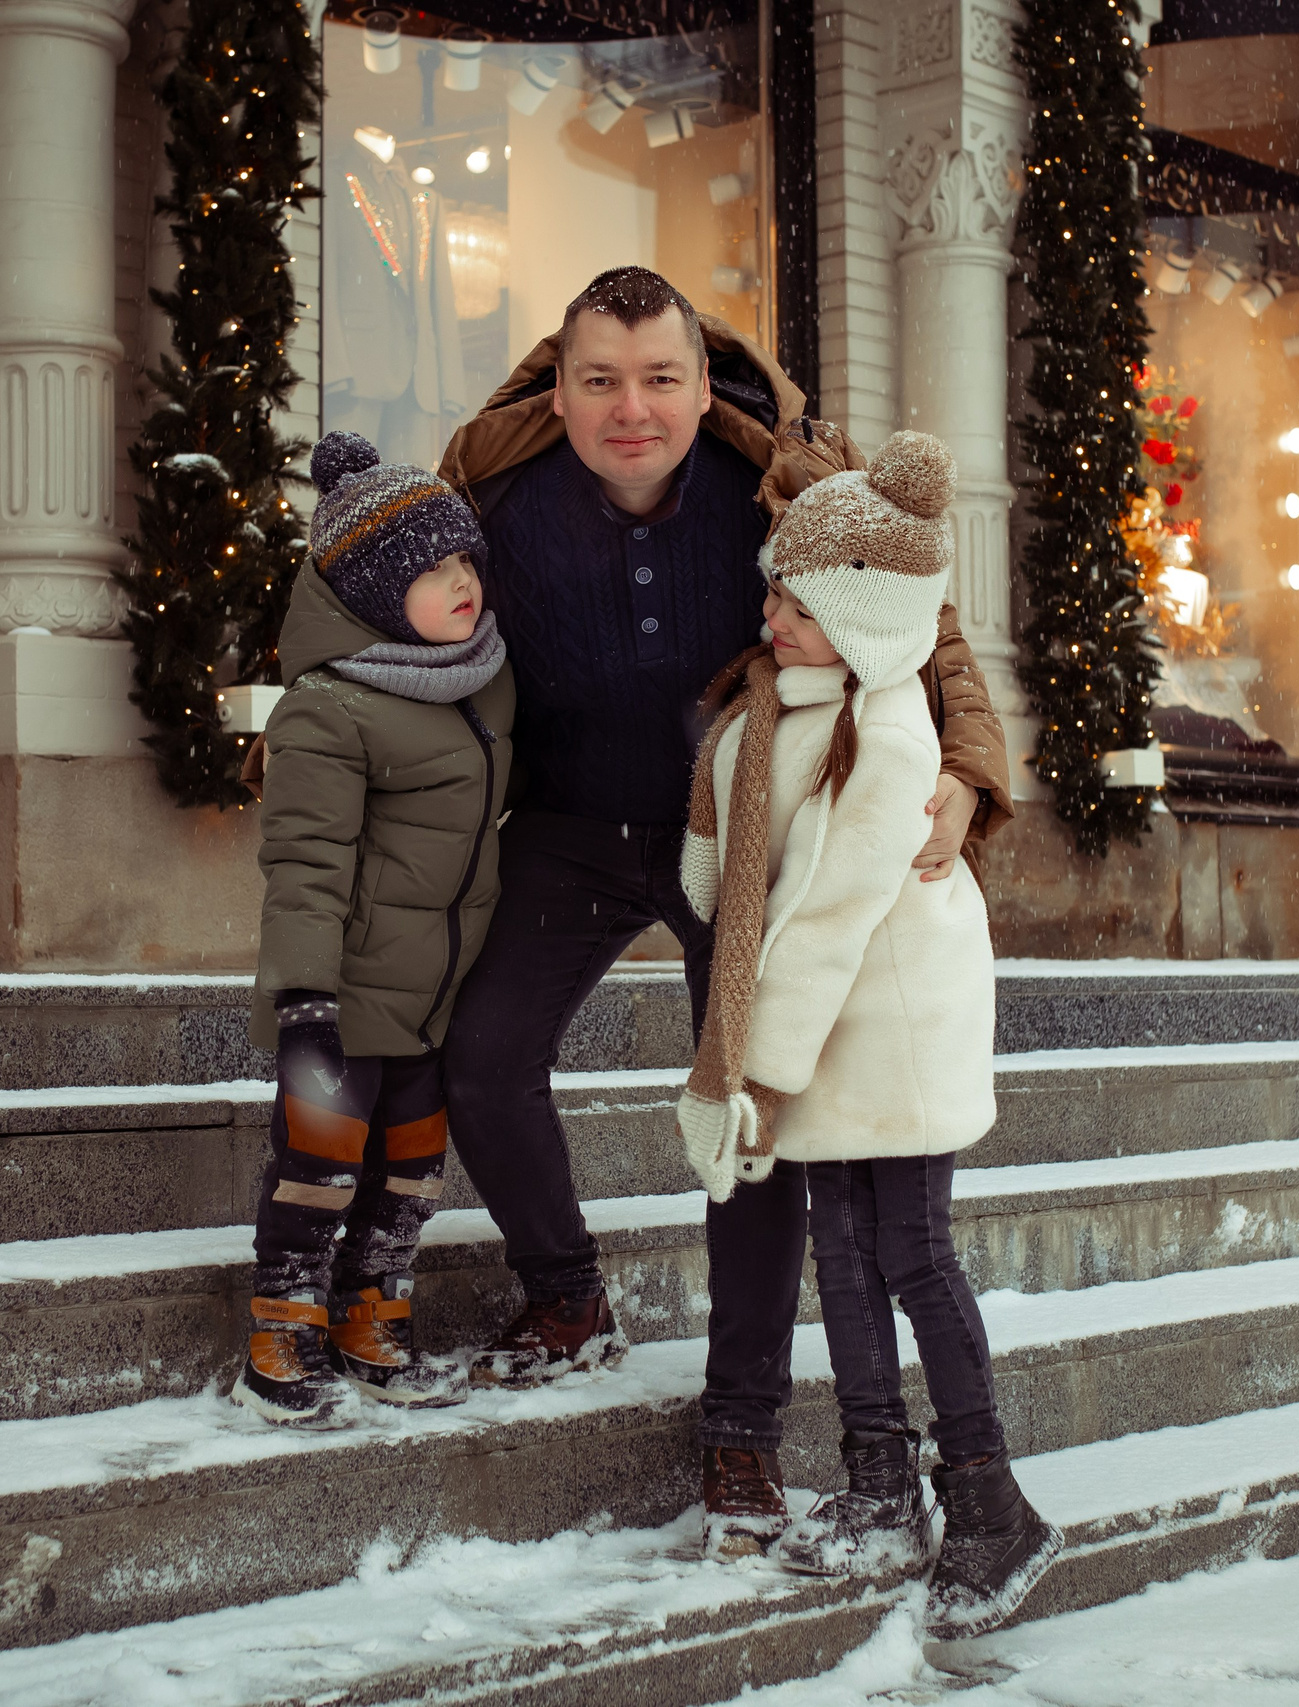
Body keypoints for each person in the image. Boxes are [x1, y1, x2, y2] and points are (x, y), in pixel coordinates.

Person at [429, 268, 1011, 1537]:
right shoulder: (492, 490)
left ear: (701, 383)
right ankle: (565, 1293)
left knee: (753, 1115)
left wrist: (966, 765)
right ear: (559, 384)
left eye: (657, 379)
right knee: (479, 1054)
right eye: (600, 381)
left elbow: (919, 613)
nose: (628, 409)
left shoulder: (786, 483)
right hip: (571, 823)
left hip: (749, 826)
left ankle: (741, 1429)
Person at [674, 429, 1061, 1638]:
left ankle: (992, 1504)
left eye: (800, 601)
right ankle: (880, 1481)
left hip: (884, 1027)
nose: (774, 615)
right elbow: (737, 877)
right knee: (838, 1253)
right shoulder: (788, 708)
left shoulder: (889, 738)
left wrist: (757, 1074)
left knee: (910, 1254)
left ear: (864, 614)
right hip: (830, 1030)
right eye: (773, 593)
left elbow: (829, 922)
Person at [235, 434, 513, 1424]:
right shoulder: (328, 707)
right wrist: (303, 994)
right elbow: (304, 861)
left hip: (434, 995)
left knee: (409, 1175)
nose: (462, 584)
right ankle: (283, 1322)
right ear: (369, 596)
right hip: (343, 996)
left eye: (465, 562)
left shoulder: (479, 679)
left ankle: (369, 1314)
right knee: (316, 1168)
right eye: (433, 573)